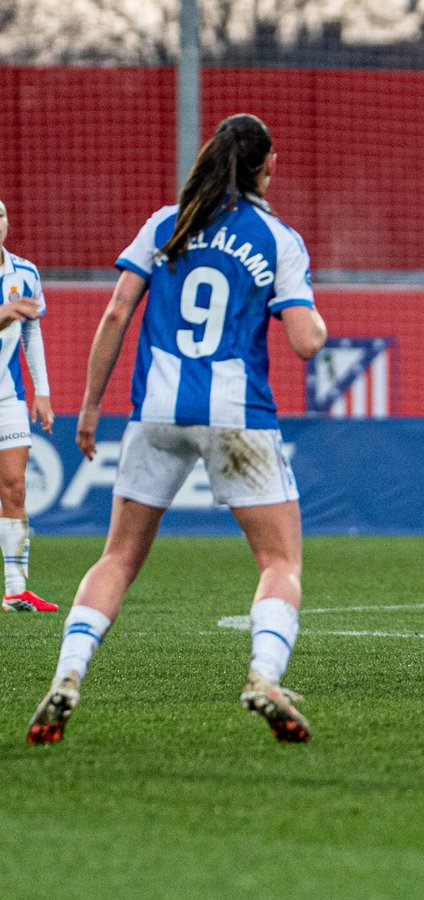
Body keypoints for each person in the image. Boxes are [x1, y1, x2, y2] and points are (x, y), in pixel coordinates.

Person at [26, 114, 328, 745]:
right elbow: (305, 343)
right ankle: (265, 677)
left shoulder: (167, 224)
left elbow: (115, 313)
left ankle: (68, 673)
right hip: (237, 420)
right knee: (279, 561)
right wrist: (316, 324)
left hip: (154, 415)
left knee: (117, 557)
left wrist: (88, 407)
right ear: (265, 166)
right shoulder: (277, 239)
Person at [0, 199, 58, 612]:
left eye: (0, 214)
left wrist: (43, 390)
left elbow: (31, 333)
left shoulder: (25, 273)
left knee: (15, 487)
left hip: (8, 396)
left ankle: (16, 589)